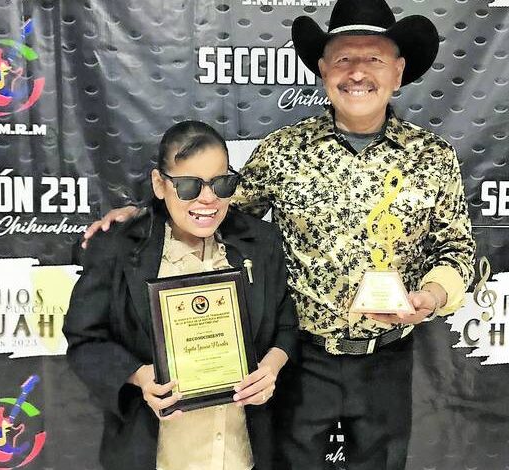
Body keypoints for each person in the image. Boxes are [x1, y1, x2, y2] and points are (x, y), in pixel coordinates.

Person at [83, 0, 475, 468]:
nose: (357, 72)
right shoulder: (284, 150)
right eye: (343, 59)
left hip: (387, 360)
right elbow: (214, 208)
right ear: (323, 70)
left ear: (398, 71)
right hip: (300, 361)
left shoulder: (433, 157)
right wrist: (144, 212)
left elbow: (456, 249)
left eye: (373, 58)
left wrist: (432, 295)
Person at [64, 121, 298, 470]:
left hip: (241, 453)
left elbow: (286, 325)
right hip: (158, 455)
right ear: (160, 184)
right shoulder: (118, 248)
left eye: (221, 183)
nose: (208, 198)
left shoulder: (261, 243)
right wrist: (139, 375)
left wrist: (271, 368)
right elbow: (85, 340)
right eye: (189, 186)